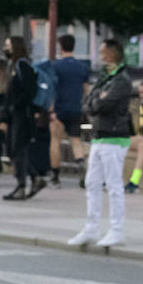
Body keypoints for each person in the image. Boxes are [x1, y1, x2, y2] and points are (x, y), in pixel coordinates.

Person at [68, 40, 132, 247]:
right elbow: (89, 103)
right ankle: (91, 228)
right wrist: (97, 99)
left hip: (114, 137)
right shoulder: (105, 79)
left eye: (103, 53)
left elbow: (104, 105)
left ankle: (117, 230)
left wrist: (96, 101)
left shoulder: (121, 80)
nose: (100, 56)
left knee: (113, 186)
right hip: (100, 136)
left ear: (112, 54)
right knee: (92, 183)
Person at [2, 36, 45, 201]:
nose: (5, 48)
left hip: (23, 115)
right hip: (16, 114)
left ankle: (22, 185)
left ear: (15, 47)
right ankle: (34, 178)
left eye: (7, 45)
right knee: (15, 150)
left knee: (19, 149)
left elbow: (29, 91)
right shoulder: (15, 65)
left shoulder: (22, 65)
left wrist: (15, 106)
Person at [48, 34, 91, 185]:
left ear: (61, 47)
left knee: (55, 140)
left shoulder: (55, 66)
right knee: (76, 140)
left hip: (59, 110)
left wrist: (51, 110)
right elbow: (86, 90)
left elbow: (51, 89)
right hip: (75, 109)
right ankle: (81, 166)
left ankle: (55, 176)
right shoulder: (82, 67)